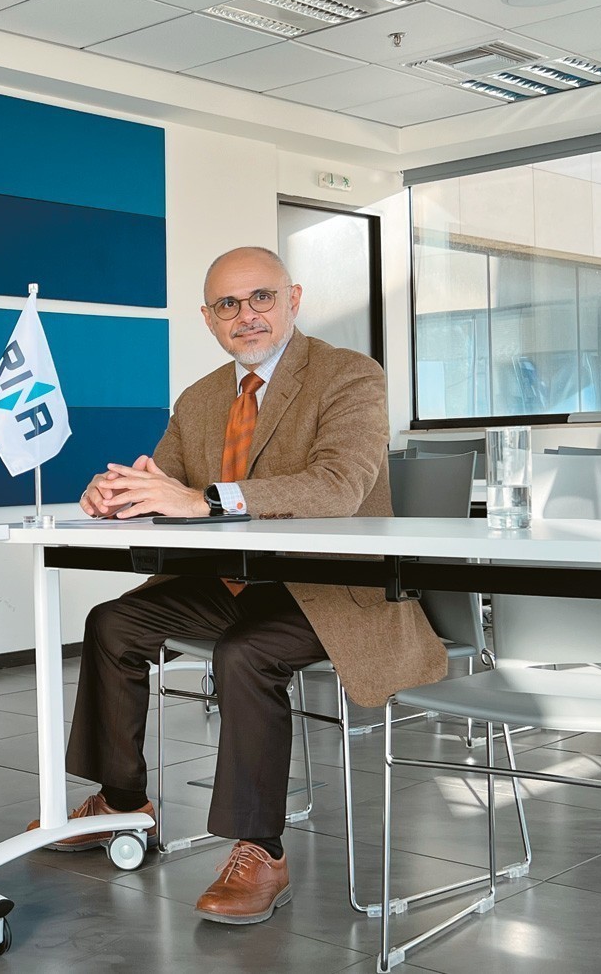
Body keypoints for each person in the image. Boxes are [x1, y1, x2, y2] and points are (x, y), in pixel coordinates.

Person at [37, 246, 446, 925]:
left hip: (333, 587)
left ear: (294, 299)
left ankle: (261, 850)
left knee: (245, 653)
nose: (246, 315)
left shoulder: (349, 375)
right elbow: (165, 484)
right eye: (228, 304)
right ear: (208, 318)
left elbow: (338, 487)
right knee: (112, 623)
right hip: (233, 583)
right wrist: (118, 494)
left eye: (262, 297)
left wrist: (207, 500)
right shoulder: (200, 398)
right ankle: (121, 803)